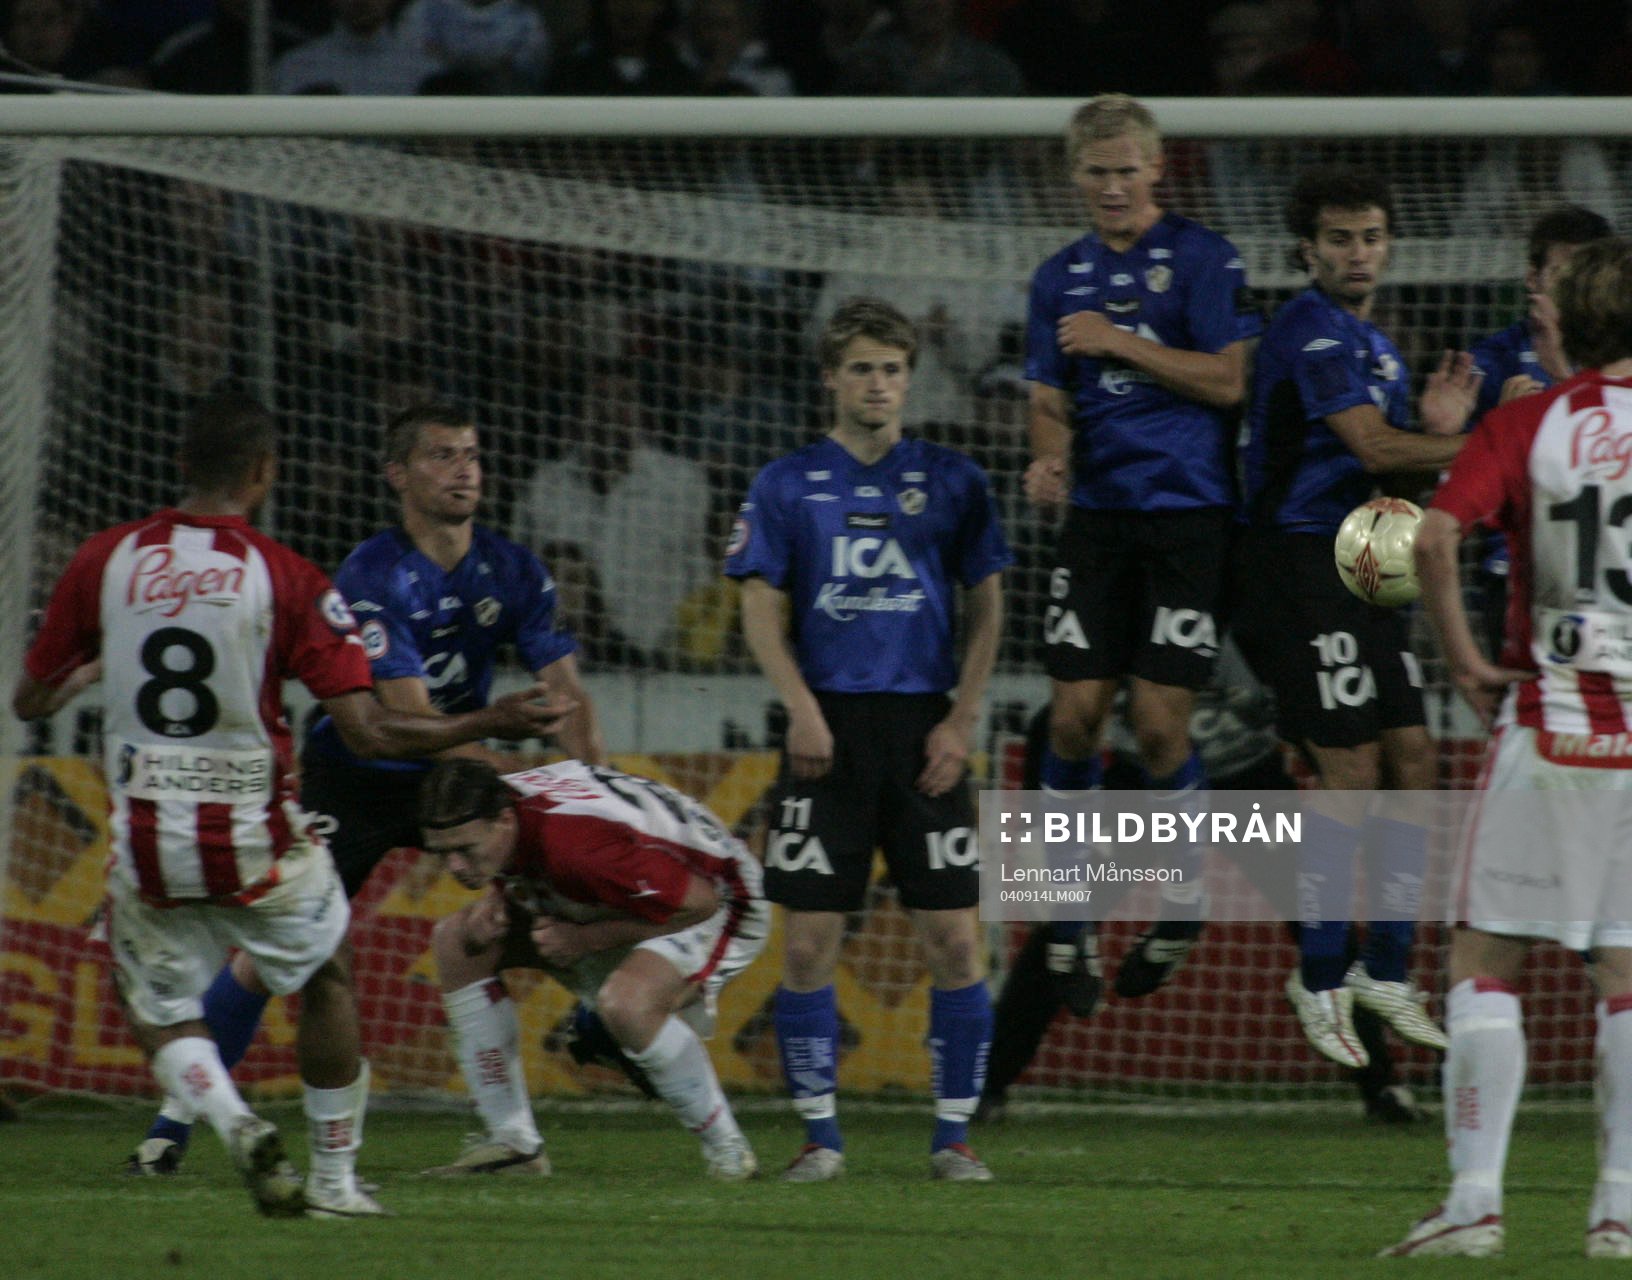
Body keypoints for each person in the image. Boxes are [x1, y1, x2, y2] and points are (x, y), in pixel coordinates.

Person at [11, 391, 570, 1218]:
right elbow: (372, 732)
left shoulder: (105, 559)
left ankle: (218, 1120)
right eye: (443, 454)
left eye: (470, 454)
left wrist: (91, 671)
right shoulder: (293, 576)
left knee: (161, 1007)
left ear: (177, 466)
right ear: (266, 474)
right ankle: (335, 1181)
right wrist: (499, 720)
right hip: (263, 815)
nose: (463, 470)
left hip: (146, 828)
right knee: (324, 970)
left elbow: (30, 700)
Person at [725, 296, 1011, 1182]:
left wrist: (960, 723)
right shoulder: (785, 483)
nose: (878, 384)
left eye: (891, 369)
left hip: (923, 730)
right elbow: (759, 606)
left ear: (909, 379)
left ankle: (954, 1138)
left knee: (956, 942)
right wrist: (802, 709)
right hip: (828, 731)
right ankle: (820, 1138)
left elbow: (988, 603)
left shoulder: (955, 479)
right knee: (807, 944)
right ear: (831, 379)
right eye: (861, 368)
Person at [1384, 236, 1632, 1259]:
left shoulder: (1525, 423)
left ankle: (1476, 1199)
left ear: (1566, 321)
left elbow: (1435, 536)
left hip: (1550, 726)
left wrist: (1465, 658)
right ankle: (1619, 1206)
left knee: (1484, 952)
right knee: (1625, 968)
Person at [1235, 167, 1480, 1069]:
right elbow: (1370, 445)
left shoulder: (1374, 344)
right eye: (1339, 238)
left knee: (1414, 756)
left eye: (1370, 236)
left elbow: (1388, 466)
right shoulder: (1308, 329)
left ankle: (1385, 968)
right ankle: (1318, 974)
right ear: (1308, 251)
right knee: (1347, 766)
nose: (1357, 252)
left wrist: (1433, 423)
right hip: (1294, 565)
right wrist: (1492, 438)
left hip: (1364, 558)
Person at [1023, 94, 1263, 1012]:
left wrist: (1120, 340)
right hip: (1098, 521)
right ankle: (1067, 924)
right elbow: (1050, 395)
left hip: (1189, 519)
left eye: (1129, 170)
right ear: (1074, 178)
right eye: (1097, 172)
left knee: (1160, 727)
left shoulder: (1206, 259)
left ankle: (1184, 899)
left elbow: (1230, 379)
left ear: (1158, 170)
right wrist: (1050, 457)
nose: (1114, 186)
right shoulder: (1058, 276)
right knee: (1072, 718)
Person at [416, 756, 768, 1179]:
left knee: (628, 1004)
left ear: (504, 821)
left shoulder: (577, 849)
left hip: (720, 898)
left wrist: (584, 940)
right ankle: (512, 1144)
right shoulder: (499, 805)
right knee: (458, 943)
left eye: (465, 850)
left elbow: (699, 902)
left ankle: (729, 1151)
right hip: (623, 893)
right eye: (444, 853)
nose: (453, 867)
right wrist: (500, 892)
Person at [1465, 206, 1614, 653]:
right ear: (1533, 279)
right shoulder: (1491, 363)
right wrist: (1453, 434)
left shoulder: (1620, 357)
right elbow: (1466, 495)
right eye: (1561, 272)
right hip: (1519, 576)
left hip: (1611, 574)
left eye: (1586, 273)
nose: (1574, 288)